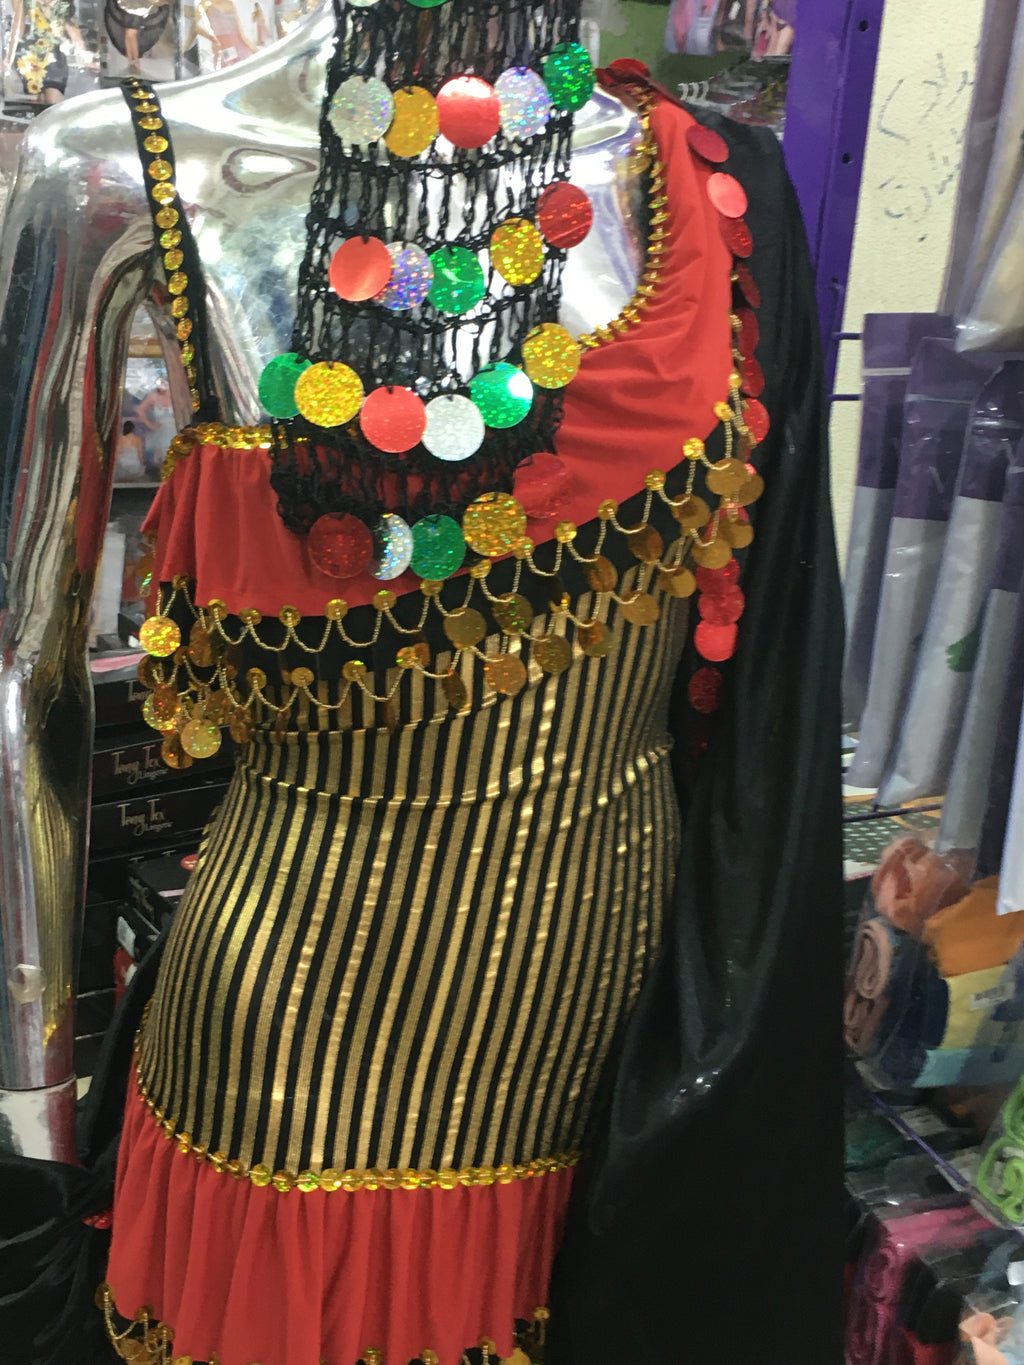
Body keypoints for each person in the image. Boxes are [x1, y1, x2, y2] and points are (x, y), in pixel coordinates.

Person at [0, 4, 843, 1363]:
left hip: (620, 1064)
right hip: (290, 1069)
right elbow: (14, 687)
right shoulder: (117, 168)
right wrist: (25, 1132)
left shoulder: (709, 183)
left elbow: (770, 684)